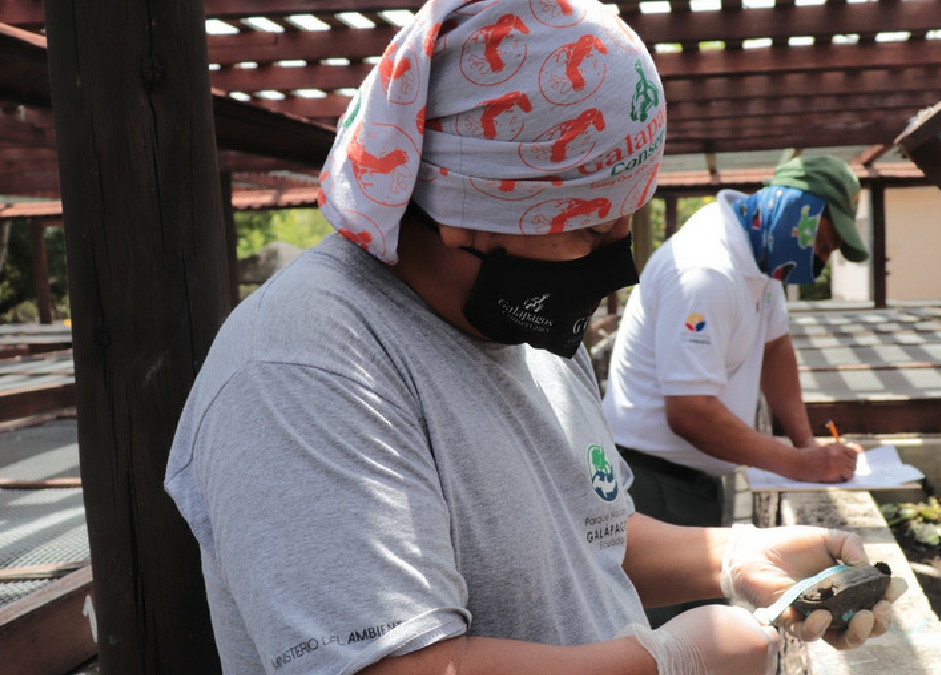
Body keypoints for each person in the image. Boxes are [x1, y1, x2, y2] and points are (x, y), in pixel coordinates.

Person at [164, 2, 902, 674]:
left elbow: (584, 537)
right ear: (472, 200)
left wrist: (736, 556)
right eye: (590, 228)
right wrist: (667, 662)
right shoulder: (305, 365)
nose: (614, 267)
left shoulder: (525, 328)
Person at [602, 154, 871, 626]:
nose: (820, 262)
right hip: (650, 486)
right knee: (665, 634)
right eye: (824, 246)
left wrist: (808, 445)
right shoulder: (706, 271)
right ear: (797, 214)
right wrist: (795, 461)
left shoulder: (761, 259)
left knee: (699, 622)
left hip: (693, 479)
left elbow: (777, 350)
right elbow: (689, 413)